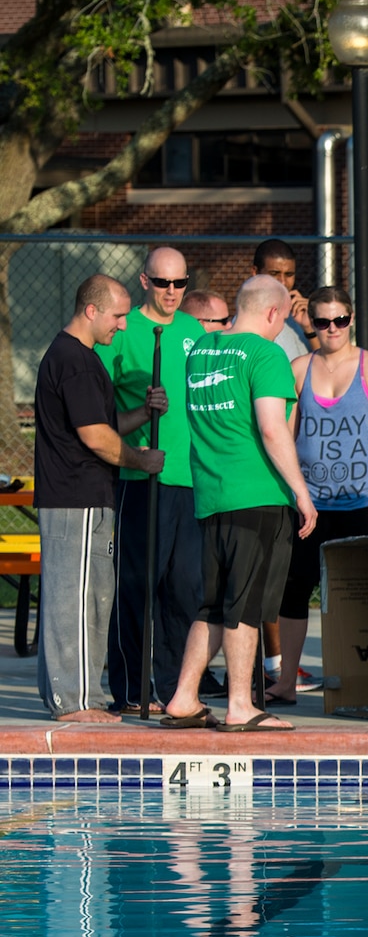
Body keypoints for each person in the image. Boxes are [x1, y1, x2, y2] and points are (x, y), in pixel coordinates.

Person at [160, 276, 316, 732]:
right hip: (256, 496)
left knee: (211, 604)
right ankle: (240, 706)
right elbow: (273, 429)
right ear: (272, 313)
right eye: (283, 318)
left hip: (210, 495)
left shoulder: (201, 350)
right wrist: (301, 493)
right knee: (243, 607)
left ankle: (184, 697)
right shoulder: (267, 354)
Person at [265, 286, 368, 706]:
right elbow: (284, 438)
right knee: (294, 592)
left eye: (339, 321)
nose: (331, 329)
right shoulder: (299, 369)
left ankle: (366, 682)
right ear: (311, 323)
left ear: (351, 319)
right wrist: (292, 494)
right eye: (322, 322)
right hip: (311, 505)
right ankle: (286, 681)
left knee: (362, 594)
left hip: (362, 502)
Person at [34, 276, 165, 721]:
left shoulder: (82, 359)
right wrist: (139, 460)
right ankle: (76, 701)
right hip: (77, 497)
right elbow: (94, 438)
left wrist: (143, 413)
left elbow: (101, 424)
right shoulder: (73, 361)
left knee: (90, 596)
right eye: (118, 315)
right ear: (92, 311)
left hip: (81, 495)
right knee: (78, 599)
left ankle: (76, 697)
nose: (123, 325)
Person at [98, 246, 206, 714]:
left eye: (180, 283)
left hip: (189, 479)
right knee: (137, 584)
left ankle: (175, 689)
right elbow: (98, 417)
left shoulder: (192, 330)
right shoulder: (122, 330)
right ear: (145, 281)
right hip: (140, 477)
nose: (172, 292)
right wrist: (142, 416)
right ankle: (131, 689)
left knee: (184, 589)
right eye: (163, 283)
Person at [252, 238, 314, 360]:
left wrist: (310, 329)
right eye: (274, 273)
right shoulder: (247, 319)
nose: (282, 282)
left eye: (289, 274)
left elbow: (327, 366)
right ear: (255, 272)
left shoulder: (302, 317)